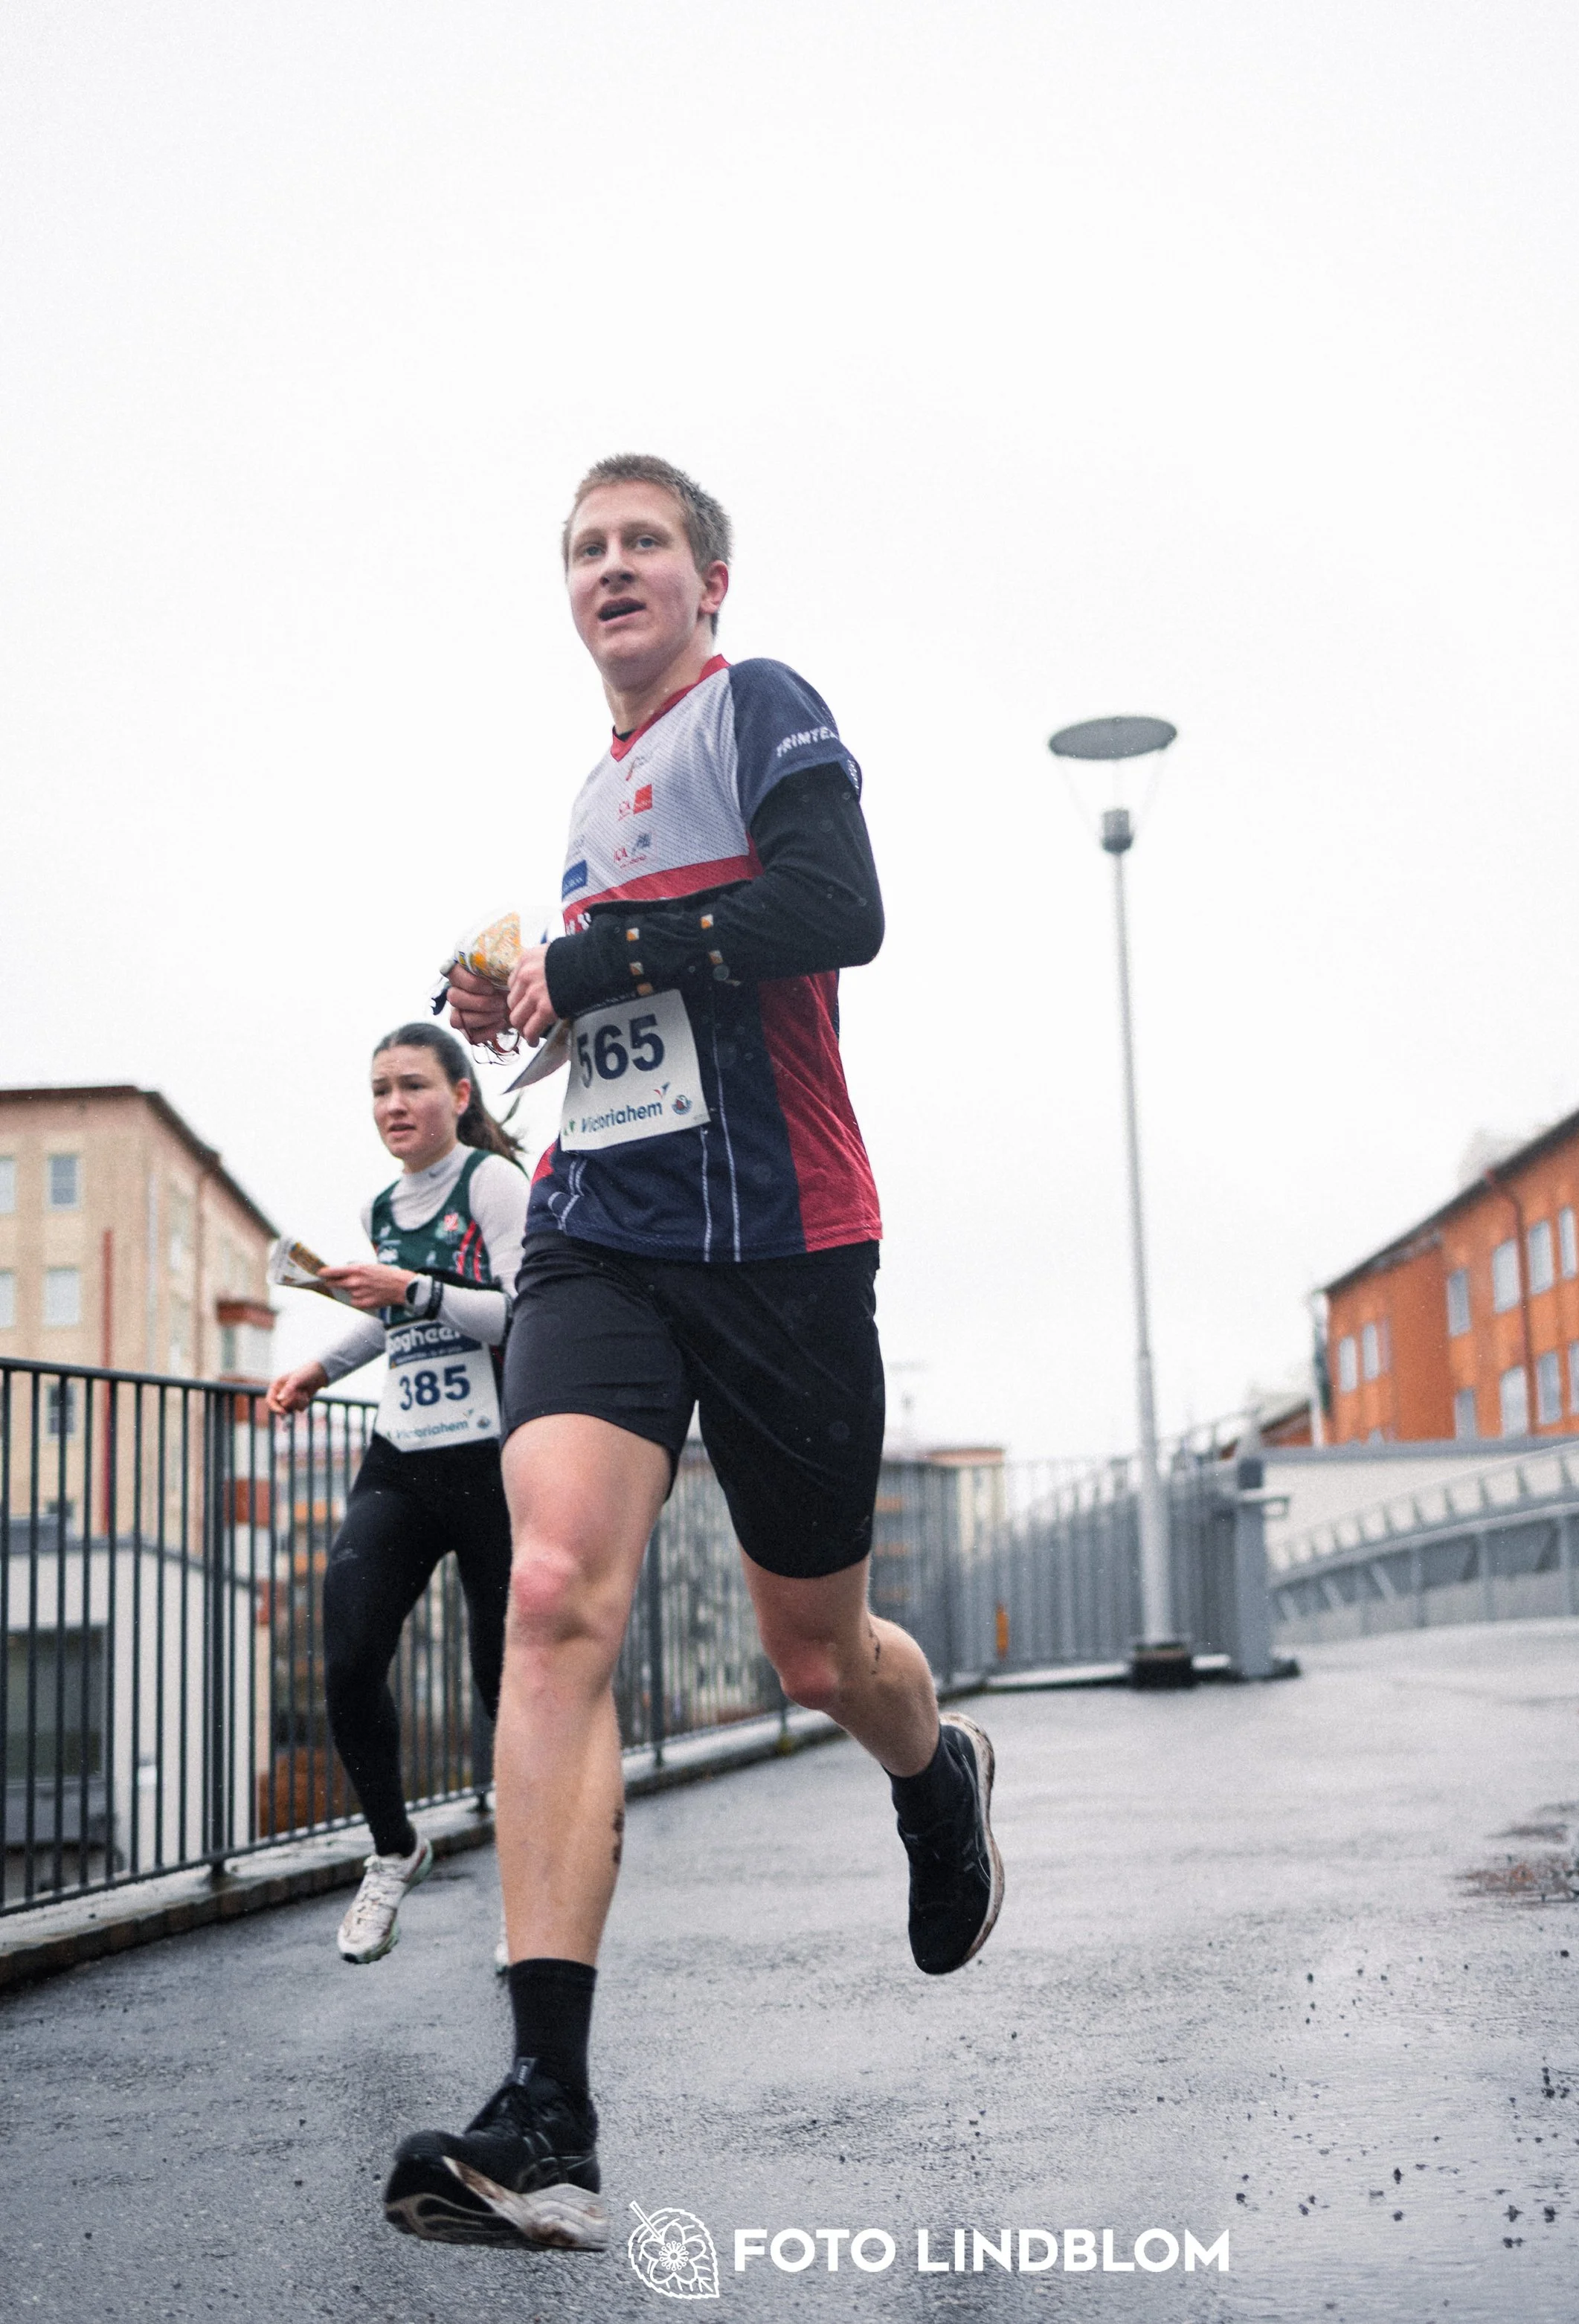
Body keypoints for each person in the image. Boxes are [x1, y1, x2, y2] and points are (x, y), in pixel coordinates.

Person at [382, 455, 1003, 2250]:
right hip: (602, 1233)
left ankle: (933, 1767)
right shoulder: (589, 792)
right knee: (556, 1583)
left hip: (785, 1241)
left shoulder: (762, 708)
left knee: (824, 1649)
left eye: (644, 540)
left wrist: (600, 960)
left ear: (709, 583)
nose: (613, 566)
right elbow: (613, 1012)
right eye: (585, 548)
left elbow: (838, 910)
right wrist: (530, 998)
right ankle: (550, 2120)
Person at [267, 1023, 529, 1966]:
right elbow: (389, 1324)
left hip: (495, 1461)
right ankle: (394, 1848)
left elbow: (523, 1307)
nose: (393, 1105)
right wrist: (315, 1367)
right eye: (379, 1089)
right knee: (346, 1654)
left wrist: (412, 1289)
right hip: (401, 1456)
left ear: (460, 1094)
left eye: (413, 1085)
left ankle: (532, 1887)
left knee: (506, 1686)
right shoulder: (385, 1202)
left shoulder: (490, 1184)